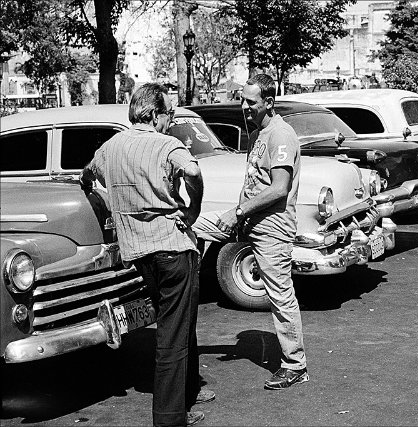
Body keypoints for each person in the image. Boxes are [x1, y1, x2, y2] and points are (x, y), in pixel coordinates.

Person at [79, 83, 214, 426]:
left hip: (139, 253)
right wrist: (193, 207)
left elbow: (87, 174)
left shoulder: (111, 147)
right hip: (173, 249)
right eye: (169, 113)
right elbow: (194, 171)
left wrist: (101, 197)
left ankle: (186, 392)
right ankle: (170, 417)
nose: (170, 120)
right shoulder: (167, 144)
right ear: (154, 114)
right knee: (172, 335)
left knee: (177, 325)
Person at [215, 74, 308, 390]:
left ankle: (295, 366)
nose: (244, 106)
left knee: (281, 296)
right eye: (242, 99)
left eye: (250, 102)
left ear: (269, 102)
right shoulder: (258, 134)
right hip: (252, 223)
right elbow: (255, 182)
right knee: (195, 230)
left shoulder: (281, 135)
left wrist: (238, 211)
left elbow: (279, 189)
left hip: (273, 230)